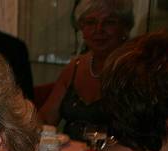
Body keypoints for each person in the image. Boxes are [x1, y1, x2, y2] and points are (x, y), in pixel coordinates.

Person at [38, 0, 134, 141]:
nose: (98, 29)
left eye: (109, 22)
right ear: (81, 29)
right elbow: (46, 119)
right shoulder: (74, 67)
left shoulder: (136, 70)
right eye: (90, 22)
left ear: (125, 28)